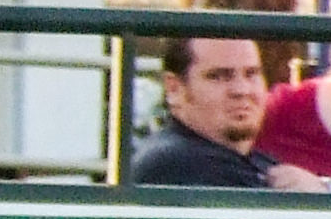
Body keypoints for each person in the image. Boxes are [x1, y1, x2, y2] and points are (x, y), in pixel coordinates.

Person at [126, 36, 321, 191]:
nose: (242, 90)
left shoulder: (250, 159)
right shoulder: (177, 164)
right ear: (174, 89)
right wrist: (314, 197)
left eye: (251, 74)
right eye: (219, 76)